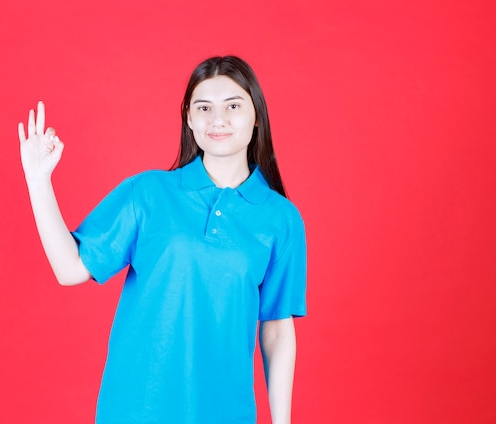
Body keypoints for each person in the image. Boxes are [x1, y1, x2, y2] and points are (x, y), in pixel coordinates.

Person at [19, 56, 307, 424]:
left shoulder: (281, 218)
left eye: (233, 106)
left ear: (256, 115)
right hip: (135, 410)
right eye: (204, 108)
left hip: (226, 412)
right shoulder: (148, 192)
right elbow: (70, 268)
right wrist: (38, 182)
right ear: (189, 117)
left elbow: (278, 329)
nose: (217, 119)